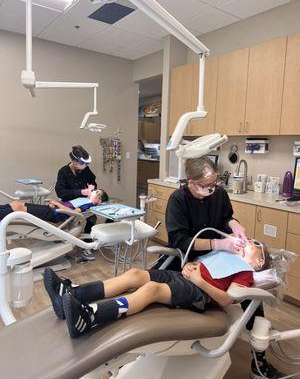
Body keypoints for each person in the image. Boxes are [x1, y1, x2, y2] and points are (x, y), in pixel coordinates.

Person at [164, 156, 284, 379]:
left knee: (254, 300)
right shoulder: (178, 199)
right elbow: (178, 240)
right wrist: (218, 243)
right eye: (206, 186)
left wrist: (233, 225)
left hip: (221, 256)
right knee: (165, 288)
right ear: (190, 182)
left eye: (214, 184)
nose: (212, 189)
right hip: (191, 258)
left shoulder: (219, 194)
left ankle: (260, 365)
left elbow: (225, 217)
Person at [43, 239, 269, 340]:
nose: (247, 242)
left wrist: (199, 280)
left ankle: (90, 317)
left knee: (152, 289)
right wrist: (192, 266)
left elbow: (227, 300)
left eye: (253, 245)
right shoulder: (227, 255)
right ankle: (71, 293)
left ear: (259, 262)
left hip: (200, 293)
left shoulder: (245, 272)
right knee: (135, 274)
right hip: (186, 277)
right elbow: (199, 265)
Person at [55, 145, 99, 234]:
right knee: (72, 222)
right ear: (75, 162)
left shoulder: (85, 169)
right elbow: (60, 192)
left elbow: (92, 179)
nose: (86, 166)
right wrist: (80, 192)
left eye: (87, 164)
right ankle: (68, 237)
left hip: (84, 201)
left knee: (92, 217)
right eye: (84, 163)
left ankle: (88, 240)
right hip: (70, 203)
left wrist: (92, 186)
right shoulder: (63, 172)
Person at [0, 189, 108, 223]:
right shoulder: (83, 199)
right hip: (52, 209)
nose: (93, 191)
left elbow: (74, 212)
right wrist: (55, 202)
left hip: (55, 215)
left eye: (97, 192)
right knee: (16, 204)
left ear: (98, 200)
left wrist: (56, 203)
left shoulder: (88, 205)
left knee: (19, 208)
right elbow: (67, 204)